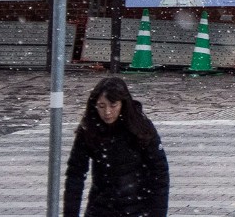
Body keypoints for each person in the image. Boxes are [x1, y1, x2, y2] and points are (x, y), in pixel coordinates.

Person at [64, 76, 168, 217]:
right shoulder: (89, 130)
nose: (107, 112)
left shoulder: (141, 127)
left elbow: (159, 173)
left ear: (123, 104)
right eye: (101, 106)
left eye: (113, 106)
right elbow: (75, 174)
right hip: (101, 209)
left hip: (137, 209)